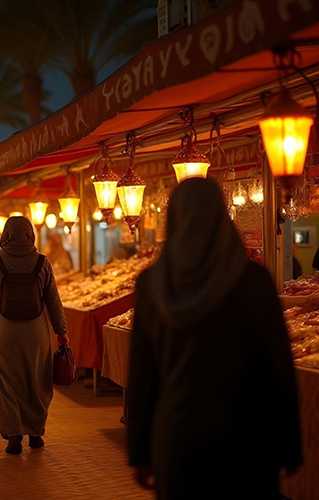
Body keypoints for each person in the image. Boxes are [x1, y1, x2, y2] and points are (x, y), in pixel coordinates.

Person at [127, 178, 301, 499]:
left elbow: (142, 375)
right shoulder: (252, 281)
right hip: (246, 440)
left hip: (178, 438)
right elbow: (278, 371)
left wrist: (139, 451)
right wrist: (290, 448)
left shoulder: (152, 285)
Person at [0, 217, 69, 454]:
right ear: (30, 234)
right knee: (37, 379)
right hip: (35, 331)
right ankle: (36, 432)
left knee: (7, 382)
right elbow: (53, 300)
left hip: (5, 329)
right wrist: (61, 330)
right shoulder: (42, 262)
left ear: (6, 234)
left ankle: (14, 435)